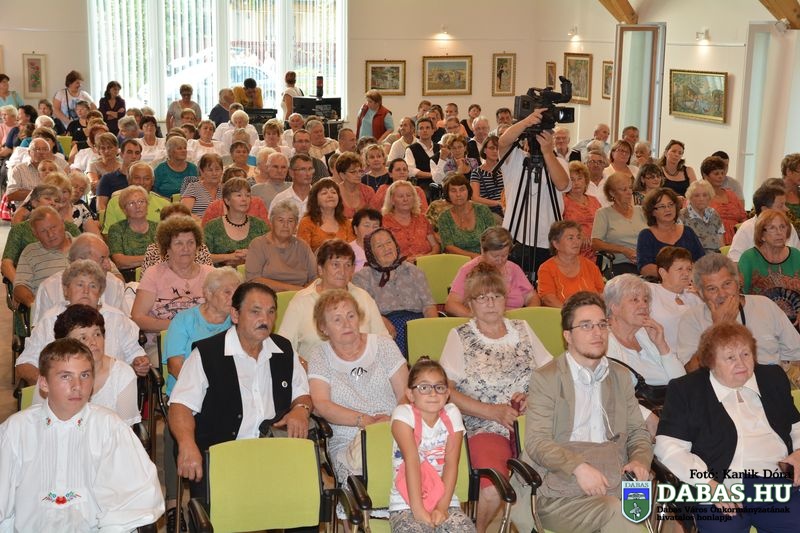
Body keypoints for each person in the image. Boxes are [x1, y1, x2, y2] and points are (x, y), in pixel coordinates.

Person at [508, 291, 653, 533]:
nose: (597, 332)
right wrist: (579, 468)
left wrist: (640, 459)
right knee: (615, 511)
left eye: (602, 324)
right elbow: (537, 442)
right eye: (586, 326)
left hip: (613, 478)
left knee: (646, 506)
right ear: (568, 336)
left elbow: (638, 432)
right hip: (557, 492)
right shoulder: (547, 378)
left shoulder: (619, 376)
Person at [0, 338, 163, 531]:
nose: (77, 385)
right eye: (65, 376)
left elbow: (133, 501)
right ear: (43, 383)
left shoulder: (110, 428)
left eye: (85, 375)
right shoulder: (16, 430)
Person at [170, 282, 312, 498]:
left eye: (271, 312)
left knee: (305, 499)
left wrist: (301, 409)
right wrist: (187, 444)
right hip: (222, 453)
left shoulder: (283, 349)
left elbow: (302, 393)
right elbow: (180, 406)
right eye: (255, 312)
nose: (265, 320)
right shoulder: (207, 354)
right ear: (235, 315)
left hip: (274, 450)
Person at [440, 263, 553, 532]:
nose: (490, 303)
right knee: (493, 488)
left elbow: (552, 375)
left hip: (533, 423)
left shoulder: (523, 328)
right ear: (470, 303)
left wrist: (532, 395)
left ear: (506, 299)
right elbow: (445, 392)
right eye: (482, 297)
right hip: (485, 425)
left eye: (496, 296)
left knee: (558, 477)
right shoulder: (460, 336)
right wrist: (491, 411)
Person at [655, 322, 800, 532]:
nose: (741, 363)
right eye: (730, 358)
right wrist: (708, 485)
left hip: (775, 484)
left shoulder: (772, 377)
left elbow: (796, 426)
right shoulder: (687, 389)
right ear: (711, 362)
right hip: (721, 486)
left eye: (746, 354)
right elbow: (668, 448)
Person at [307, 289, 408, 483]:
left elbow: (405, 394)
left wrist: (393, 420)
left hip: (392, 427)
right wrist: (363, 421)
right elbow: (322, 404)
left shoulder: (384, 345)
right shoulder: (320, 355)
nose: (346, 324)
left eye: (351, 316)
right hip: (347, 438)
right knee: (369, 467)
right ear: (323, 327)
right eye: (337, 320)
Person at [16, 259, 149, 384]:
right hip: (63, 393)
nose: (86, 291)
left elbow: (135, 354)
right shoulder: (50, 319)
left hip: (111, 390)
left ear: (100, 292)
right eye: (80, 285)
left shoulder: (117, 319)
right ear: (66, 290)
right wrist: (52, 386)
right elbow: (25, 363)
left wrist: (139, 363)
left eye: (93, 286)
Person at [389, 358, 475, 532]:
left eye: (439, 387)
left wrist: (442, 508)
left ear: (447, 393)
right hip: (406, 504)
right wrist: (419, 510)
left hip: (445, 500)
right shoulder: (403, 415)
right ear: (410, 394)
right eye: (424, 387)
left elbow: (451, 464)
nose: (433, 393)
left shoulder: (452, 413)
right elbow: (412, 461)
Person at [676, 253, 800, 373]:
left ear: (738, 282)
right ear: (700, 293)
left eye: (727, 284)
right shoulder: (692, 319)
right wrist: (717, 329)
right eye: (712, 289)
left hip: (769, 380)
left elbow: (796, 352)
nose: (722, 294)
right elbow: (690, 370)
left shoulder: (764, 305)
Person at [30, 304, 140, 425]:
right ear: (65, 344)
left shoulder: (122, 374)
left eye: (97, 334)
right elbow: (37, 423)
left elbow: (124, 431)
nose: (93, 342)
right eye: (83, 338)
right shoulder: (52, 373)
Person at [278, 239, 390, 359]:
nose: (342, 271)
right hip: (313, 369)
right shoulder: (302, 301)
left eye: (348, 265)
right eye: (335, 264)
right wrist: (303, 365)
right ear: (320, 269)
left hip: (361, 368)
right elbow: (283, 347)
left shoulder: (363, 297)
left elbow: (384, 342)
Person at [604, 274, 685, 432]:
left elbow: (681, 383)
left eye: (646, 300)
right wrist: (648, 417)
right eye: (635, 300)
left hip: (671, 414)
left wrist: (662, 345)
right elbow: (612, 395)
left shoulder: (646, 335)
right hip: (638, 425)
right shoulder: (605, 343)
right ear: (614, 307)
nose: (643, 305)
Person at [499, 109, 571, 277]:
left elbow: (562, 184)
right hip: (515, 237)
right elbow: (503, 142)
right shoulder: (515, 157)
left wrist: (547, 152)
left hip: (548, 239)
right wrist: (526, 122)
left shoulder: (559, 162)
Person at [131, 216, 213, 355]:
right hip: (164, 343)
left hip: (205, 342)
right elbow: (137, 318)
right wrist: (179, 326)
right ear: (167, 248)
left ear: (197, 246)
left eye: (190, 243)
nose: (186, 248)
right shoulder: (153, 274)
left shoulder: (211, 274)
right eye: (178, 243)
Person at [353, 229, 438, 357]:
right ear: (371, 252)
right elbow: (363, 309)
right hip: (386, 327)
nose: (386, 248)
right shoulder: (362, 277)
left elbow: (429, 306)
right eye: (379, 246)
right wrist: (380, 321)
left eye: (389, 242)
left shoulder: (414, 271)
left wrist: (431, 331)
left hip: (418, 325)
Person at [33, 232, 128, 324]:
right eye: (102, 259)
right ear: (80, 262)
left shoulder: (115, 284)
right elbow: (40, 330)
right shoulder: (48, 288)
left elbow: (124, 325)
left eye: (108, 258)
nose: (108, 266)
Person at [446, 227, 538, 317]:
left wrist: (528, 315)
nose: (500, 260)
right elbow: (452, 305)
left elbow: (532, 297)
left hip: (515, 320)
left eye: (504, 255)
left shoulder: (513, 268)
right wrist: (476, 316)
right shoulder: (468, 270)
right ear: (483, 250)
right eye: (495, 256)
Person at [738, 208, 800, 327]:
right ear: (762, 235)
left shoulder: (796, 255)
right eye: (772, 228)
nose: (779, 232)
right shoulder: (749, 258)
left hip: (796, 322)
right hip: (761, 322)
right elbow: (739, 295)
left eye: (782, 227)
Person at [245, 199, 317, 291]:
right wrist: (296, 289)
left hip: (300, 296)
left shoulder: (303, 246)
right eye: (280, 220)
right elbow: (253, 280)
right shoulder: (258, 245)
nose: (285, 225)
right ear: (271, 222)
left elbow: (315, 278)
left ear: (296, 225)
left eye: (290, 221)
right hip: (267, 296)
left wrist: (303, 293)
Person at [637, 187, 705, 278]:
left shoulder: (688, 231)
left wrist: (686, 274)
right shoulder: (646, 235)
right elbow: (645, 268)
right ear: (652, 212)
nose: (668, 209)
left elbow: (701, 261)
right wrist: (673, 274)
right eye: (662, 206)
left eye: (671, 205)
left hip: (689, 280)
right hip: (659, 283)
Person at [13, 206, 73, 309]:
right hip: (49, 310)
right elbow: (20, 287)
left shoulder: (84, 244)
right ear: (35, 234)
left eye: (53, 227)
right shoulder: (30, 252)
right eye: (43, 231)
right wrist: (35, 306)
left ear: (63, 223)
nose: (50, 234)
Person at [646, 246, 703, 353]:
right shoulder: (650, 292)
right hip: (663, 354)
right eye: (680, 269)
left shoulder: (695, 296)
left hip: (696, 354)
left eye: (689, 269)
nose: (686, 273)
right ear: (663, 273)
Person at [537, 220, 605, 308]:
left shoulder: (590, 266)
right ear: (556, 244)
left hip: (592, 313)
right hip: (561, 314)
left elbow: (602, 294)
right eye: (570, 238)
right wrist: (570, 313)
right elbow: (548, 299)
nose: (576, 242)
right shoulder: (546, 268)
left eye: (579, 237)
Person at [591, 172, 647, 276]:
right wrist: (623, 250)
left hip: (645, 261)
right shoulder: (603, 213)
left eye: (630, 188)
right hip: (620, 264)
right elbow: (595, 243)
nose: (629, 192)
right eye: (624, 189)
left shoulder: (641, 211)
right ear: (612, 193)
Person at [203, 177, 268, 266]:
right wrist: (229, 257)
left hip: (254, 273)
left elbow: (271, 253)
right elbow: (202, 257)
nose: (244, 199)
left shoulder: (260, 225)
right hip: (220, 274)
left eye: (247, 195)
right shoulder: (212, 227)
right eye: (239, 195)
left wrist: (252, 254)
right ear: (227, 200)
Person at [729, 182, 800, 261]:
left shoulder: (788, 226)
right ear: (765, 210)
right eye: (781, 206)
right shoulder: (747, 228)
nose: (786, 209)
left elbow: (797, 257)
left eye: (785, 204)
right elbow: (735, 260)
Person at [437, 173, 496, 259]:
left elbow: (494, 238)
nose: (458, 194)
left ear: (468, 191)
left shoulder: (483, 210)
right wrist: (475, 257)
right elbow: (449, 247)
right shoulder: (444, 218)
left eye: (462, 189)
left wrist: (485, 258)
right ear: (447, 194)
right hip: (458, 260)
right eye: (453, 191)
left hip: (486, 259)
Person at [101, 162, 170, 235]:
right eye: (137, 178)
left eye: (146, 179)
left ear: (152, 181)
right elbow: (107, 234)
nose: (141, 182)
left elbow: (170, 235)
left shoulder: (165, 204)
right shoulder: (114, 202)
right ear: (129, 180)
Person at [381, 180, 439, 263]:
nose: (405, 199)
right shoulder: (384, 222)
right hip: (398, 266)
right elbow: (382, 251)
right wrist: (404, 261)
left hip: (426, 264)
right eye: (400, 196)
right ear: (392, 200)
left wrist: (425, 258)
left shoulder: (422, 219)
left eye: (409, 195)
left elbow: (435, 246)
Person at [107, 185, 157, 277]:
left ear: (147, 205)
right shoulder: (116, 229)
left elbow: (167, 255)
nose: (138, 206)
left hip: (157, 275)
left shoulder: (158, 228)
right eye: (131, 203)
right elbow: (120, 261)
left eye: (141, 201)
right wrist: (153, 257)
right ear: (124, 209)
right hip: (129, 278)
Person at [297, 177, 356, 252]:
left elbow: (352, 251)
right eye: (324, 193)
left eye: (333, 192)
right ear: (315, 199)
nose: (330, 196)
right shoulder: (307, 222)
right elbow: (302, 253)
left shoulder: (346, 223)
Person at [562, 161, 602, 261]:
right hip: (573, 249)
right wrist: (579, 236)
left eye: (579, 178)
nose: (576, 183)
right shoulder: (563, 201)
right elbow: (560, 228)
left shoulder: (594, 200)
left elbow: (603, 223)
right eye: (572, 180)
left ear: (586, 181)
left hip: (597, 249)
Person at [704, 155, 746, 246]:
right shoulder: (701, 196)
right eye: (716, 174)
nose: (720, 176)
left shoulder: (731, 194)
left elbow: (743, 218)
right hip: (712, 240)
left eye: (722, 173)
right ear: (706, 176)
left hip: (737, 240)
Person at [679, 179, 725, 253]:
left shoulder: (714, 214)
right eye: (697, 196)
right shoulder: (682, 216)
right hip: (694, 256)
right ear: (690, 198)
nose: (701, 199)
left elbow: (721, 243)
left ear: (709, 197)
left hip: (716, 256)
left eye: (705, 195)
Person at [470, 135, 504, 217]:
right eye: (492, 148)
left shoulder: (505, 169)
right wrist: (497, 203)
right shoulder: (477, 172)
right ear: (484, 150)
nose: (495, 151)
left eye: (497, 148)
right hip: (488, 211)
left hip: (507, 208)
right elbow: (475, 198)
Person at [270, 153, 314, 218]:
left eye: (310, 169)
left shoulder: (319, 198)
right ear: (291, 173)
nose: (308, 174)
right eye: (303, 169)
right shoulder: (281, 199)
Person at [181, 153, 223, 217]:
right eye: (210, 170)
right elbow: (183, 213)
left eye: (217, 169)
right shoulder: (193, 188)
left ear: (222, 171)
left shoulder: (225, 189)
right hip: (197, 222)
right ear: (201, 172)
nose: (214, 173)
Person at [405, 117, 439, 196]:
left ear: (433, 130)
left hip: (441, 182)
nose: (425, 130)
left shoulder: (439, 148)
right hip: (422, 185)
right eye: (421, 128)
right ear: (416, 132)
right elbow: (411, 170)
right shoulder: (411, 149)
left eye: (427, 128)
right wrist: (432, 175)